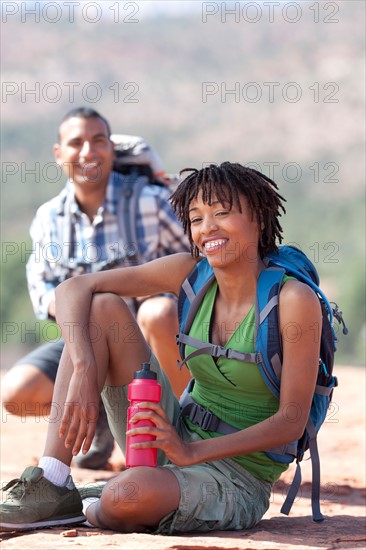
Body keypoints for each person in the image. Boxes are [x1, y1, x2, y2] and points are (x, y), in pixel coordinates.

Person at [0, 162, 321, 534]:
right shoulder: (191, 272)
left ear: (260, 219)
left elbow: (291, 422)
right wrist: (86, 368)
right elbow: (74, 288)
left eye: (222, 213)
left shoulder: (293, 299)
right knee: (101, 307)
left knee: (125, 497)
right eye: (196, 218)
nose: (207, 228)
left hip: (236, 475)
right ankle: (53, 482)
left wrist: (191, 453)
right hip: (172, 430)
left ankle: (91, 503)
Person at [1, 107, 191, 470]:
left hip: (154, 339)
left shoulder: (149, 203)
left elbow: (198, 267)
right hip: (82, 340)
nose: (88, 151)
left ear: (111, 150)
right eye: (76, 143)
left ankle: (185, 431)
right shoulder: (48, 219)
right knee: (16, 394)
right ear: (58, 155)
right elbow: (44, 293)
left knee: (159, 311)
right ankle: (104, 415)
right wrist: (82, 333)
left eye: (98, 140)